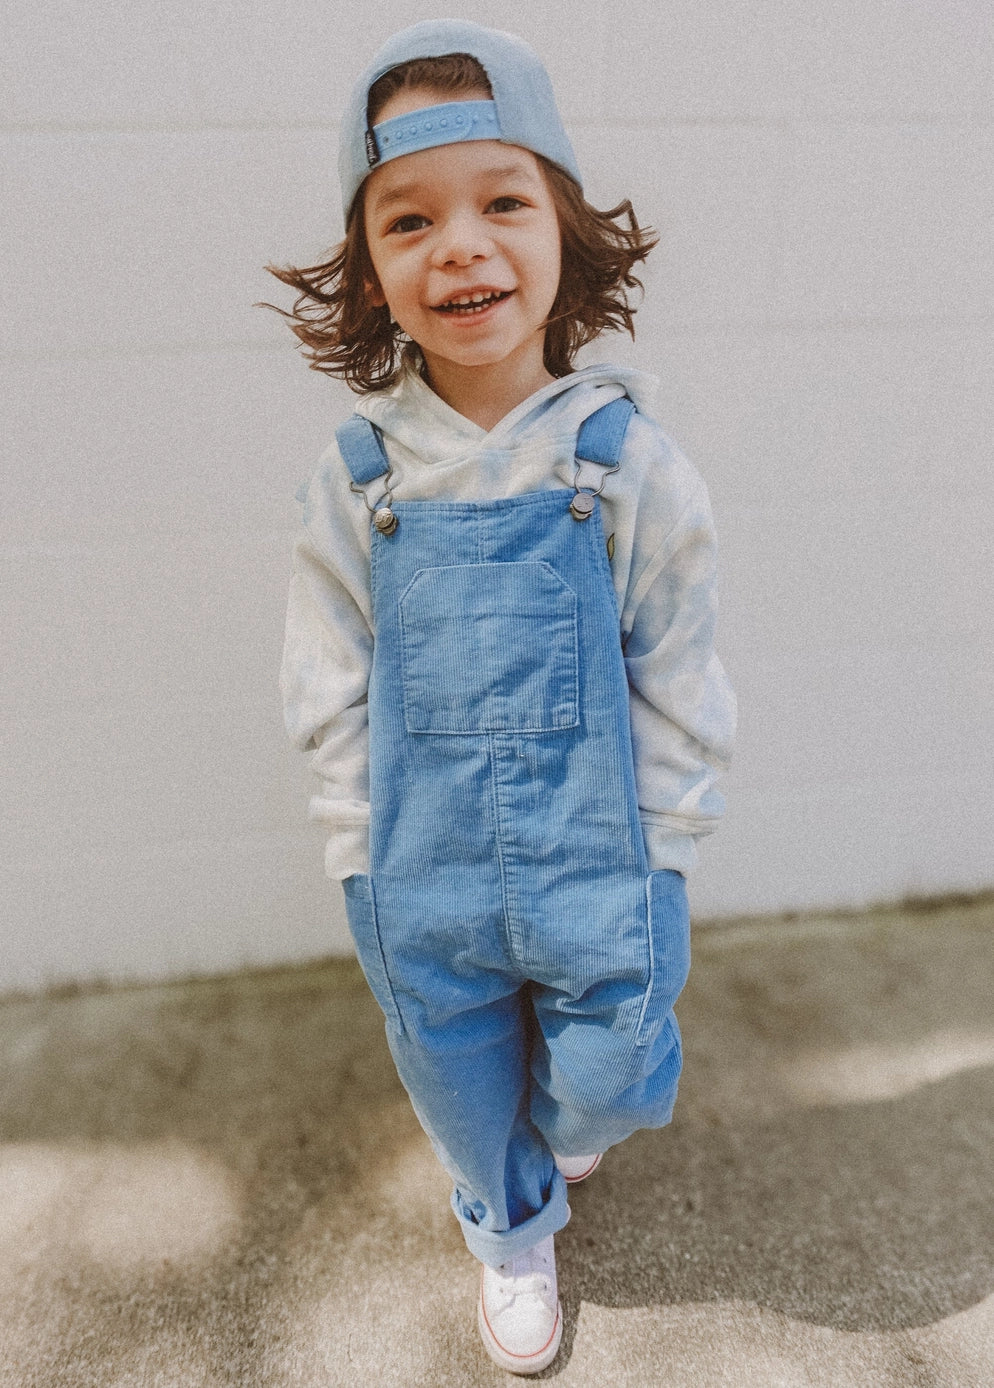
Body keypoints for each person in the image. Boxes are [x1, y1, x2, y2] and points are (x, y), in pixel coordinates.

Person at [271, 19, 735, 1375]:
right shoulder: (361, 477)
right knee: (462, 1093)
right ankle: (507, 1222)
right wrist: (357, 850)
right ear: (371, 273)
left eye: (501, 202)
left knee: (611, 1075)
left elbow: (679, 665)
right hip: (421, 864)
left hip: (605, 853)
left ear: (566, 231)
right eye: (408, 220)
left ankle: (572, 1132)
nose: (458, 244)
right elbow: (325, 676)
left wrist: (668, 840)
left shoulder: (625, 461)